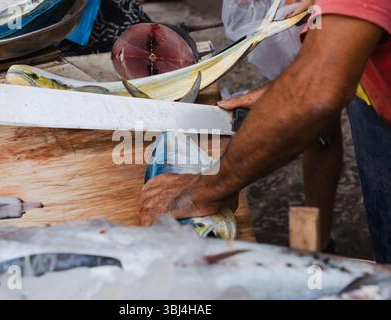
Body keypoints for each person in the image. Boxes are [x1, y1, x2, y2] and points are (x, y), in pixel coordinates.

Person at [139, 0, 391, 263]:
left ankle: (313, 250)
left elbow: (317, 96)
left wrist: (204, 191)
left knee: (320, 138)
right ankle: (313, 252)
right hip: (373, 94)